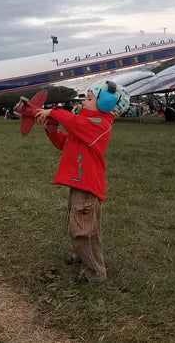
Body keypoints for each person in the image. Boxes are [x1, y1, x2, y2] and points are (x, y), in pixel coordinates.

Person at [35, 81, 130, 282]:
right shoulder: (84, 124)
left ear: (106, 104)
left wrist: (54, 112)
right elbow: (64, 143)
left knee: (82, 230)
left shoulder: (99, 125)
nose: (83, 102)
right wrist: (51, 129)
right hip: (79, 182)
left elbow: (74, 123)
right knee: (79, 222)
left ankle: (95, 272)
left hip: (87, 184)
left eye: (88, 99)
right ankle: (81, 256)